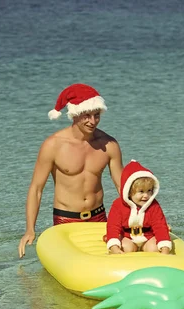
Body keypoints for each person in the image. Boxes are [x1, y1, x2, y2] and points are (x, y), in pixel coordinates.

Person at [18, 83, 123, 258]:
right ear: (74, 114)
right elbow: (36, 189)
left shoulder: (109, 144)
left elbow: (123, 188)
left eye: (97, 115)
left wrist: (144, 217)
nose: (92, 121)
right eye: (87, 115)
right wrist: (30, 229)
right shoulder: (53, 145)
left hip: (100, 218)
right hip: (66, 220)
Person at [106, 160, 171, 254]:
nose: (146, 196)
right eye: (141, 191)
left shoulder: (153, 205)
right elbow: (113, 226)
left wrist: (165, 248)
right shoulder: (118, 205)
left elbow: (160, 226)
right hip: (127, 236)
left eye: (149, 191)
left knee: (154, 248)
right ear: (129, 191)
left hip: (147, 236)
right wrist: (114, 247)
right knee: (126, 248)